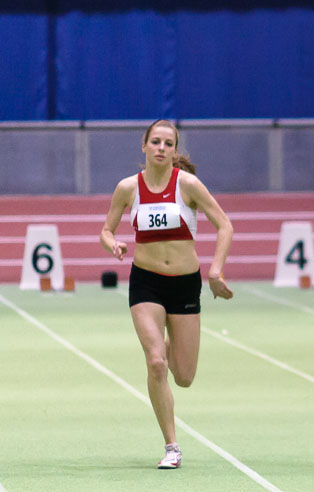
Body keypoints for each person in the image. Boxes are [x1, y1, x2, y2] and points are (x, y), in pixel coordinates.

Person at [100, 120, 234, 469]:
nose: (161, 148)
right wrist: (112, 243)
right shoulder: (128, 188)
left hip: (184, 284)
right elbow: (106, 228)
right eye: (155, 141)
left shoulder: (187, 185)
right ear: (143, 146)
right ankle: (172, 445)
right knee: (156, 362)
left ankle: (173, 343)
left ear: (175, 150)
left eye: (168, 143)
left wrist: (216, 270)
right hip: (146, 283)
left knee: (184, 376)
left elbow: (225, 225)